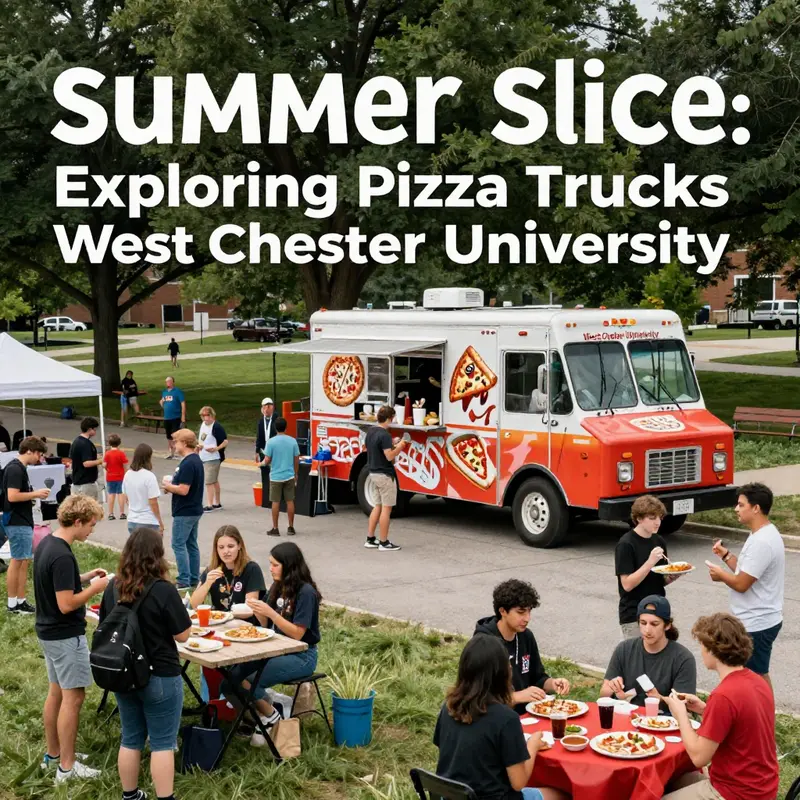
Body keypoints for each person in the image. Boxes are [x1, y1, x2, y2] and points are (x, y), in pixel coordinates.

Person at [99, 527, 192, 800]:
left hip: (123, 671)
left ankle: (130, 795)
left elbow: (105, 621)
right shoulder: (163, 589)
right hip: (160, 673)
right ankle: (166, 797)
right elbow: (183, 634)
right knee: (163, 742)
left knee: (130, 737)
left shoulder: (113, 586)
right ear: (158, 556)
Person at [434, 634, 568, 800]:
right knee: (562, 795)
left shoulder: (448, 707)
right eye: (508, 664)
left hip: (451, 796)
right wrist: (532, 745)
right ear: (501, 673)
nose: (511, 668)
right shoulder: (506, 719)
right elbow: (518, 783)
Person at [662, 613, 779, 800]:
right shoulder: (757, 682)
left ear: (713, 650)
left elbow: (699, 757)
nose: (701, 652)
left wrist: (680, 715)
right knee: (668, 779)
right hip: (762, 787)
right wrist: (704, 709)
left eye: (702, 645)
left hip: (735, 792)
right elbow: (741, 720)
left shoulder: (724, 695)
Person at [35, 495, 107, 783]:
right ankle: (67, 767)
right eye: (90, 524)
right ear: (77, 522)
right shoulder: (63, 554)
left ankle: (54, 756)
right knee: (73, 698)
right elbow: (66, 603)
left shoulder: (49, 543)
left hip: (47, 633)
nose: (92, 530)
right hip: (65, 635)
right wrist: (96, 588)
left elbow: (59, 580)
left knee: (56, 694)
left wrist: (87, 577)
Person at [229, 542, 321, 746]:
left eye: (274, 565)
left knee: (248, 680)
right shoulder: (277, 586)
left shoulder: (305, 592)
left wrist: (269, 612)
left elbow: (298, 634)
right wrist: (258, 611)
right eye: (270, 564)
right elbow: (265, 624)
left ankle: (272, 715)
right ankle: (261, 715)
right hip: (275, 649)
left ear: (289, 566)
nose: (270, 568)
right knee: (229, 680)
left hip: (302, 655)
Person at [707, 483, 784, 692]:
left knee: (755, 676)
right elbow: (747, 571)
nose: (736, 509)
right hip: (757, 619)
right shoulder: (761, 533)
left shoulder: (762, 541)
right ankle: (762, 716)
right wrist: (726, 556)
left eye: (741, 505)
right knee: (754, 673)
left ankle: (765, 718)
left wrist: (720, 575)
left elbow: (741, 584)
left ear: (756, 508)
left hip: (758, 622)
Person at [474, 580, 571, 715]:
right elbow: (478, 697)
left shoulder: (526, 636)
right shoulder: (485, 643)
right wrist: (516, 696)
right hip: (496, 720)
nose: (527, 618)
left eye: (529, 611)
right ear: (502, 611)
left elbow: (537, 678)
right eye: (521, 612)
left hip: (528, 716)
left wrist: (553, 683)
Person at [602, 595, 696, 711]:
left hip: (663, 721)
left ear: (667, 626)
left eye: (654, 624)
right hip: (626, 716)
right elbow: (603, 695)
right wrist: (612, 688)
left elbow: (686, 707)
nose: (647, 630)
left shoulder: (683, 658)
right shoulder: (624, 649)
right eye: (643, 623)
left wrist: (660, 699)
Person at [615, 495, 683, 639]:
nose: (657, 522)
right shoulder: (626, 544)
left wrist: (672, 576)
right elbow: (627, 584)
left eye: (660, 518)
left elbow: (659, 579)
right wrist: (650, 562)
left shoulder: (658, 540)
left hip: (658, 612)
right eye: (652, 518)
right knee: (636, 658)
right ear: (639, 519)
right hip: (634, 615)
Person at [2, 436, 50, 614]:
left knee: (22, 561)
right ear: (29, 450)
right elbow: (12, 496)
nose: (40, 458)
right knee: (17, 561)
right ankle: (14, 604)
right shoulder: (15, 469)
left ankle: (19, 600)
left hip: (21, 520)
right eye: (39, 454)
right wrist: (35, 494)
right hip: (17, 520)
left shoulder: (17, 467)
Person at [191, 525, 265, 624]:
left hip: (245, 625)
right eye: (221, 547)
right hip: (219, 624)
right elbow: (194, 604)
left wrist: (228, 615)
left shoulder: (251, 569)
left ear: (239, 546)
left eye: (230, 546)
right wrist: (207, 583)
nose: (226, 551)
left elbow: (251, 607)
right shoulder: (212, 569)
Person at [161, 429, 204, 589]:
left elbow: (184, 489)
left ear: (184, 443)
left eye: (176, 441)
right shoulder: (195, 460)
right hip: (194, 509)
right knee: (191, 544)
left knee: (178, 544)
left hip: (185, 510)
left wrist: (168, 486)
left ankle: (183, 579)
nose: (174, 444)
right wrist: (172, 486)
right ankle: (193, 578)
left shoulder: (188, 463)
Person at [364, 405, 406, 552]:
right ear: (389, 418)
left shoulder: (371, 432)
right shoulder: (385, 435)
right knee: (386, 510)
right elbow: (389, 456)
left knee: (377, 506)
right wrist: (400, 446)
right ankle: (384, 542)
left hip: (373, 473)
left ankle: (370, 538)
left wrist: (392, 443)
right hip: (385, 475)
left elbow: (376, 448)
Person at [264, 417, 300, 537]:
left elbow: (267, 459)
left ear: (275, 428)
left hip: (276, 476)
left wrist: (265, 463)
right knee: (290, 501)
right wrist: (296, 473)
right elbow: (296, 459)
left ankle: (275, 528)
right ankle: (291, 527)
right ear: (286, 427)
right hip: (289, 475)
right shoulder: (292, 441)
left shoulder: (271, 442)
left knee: (275, 502)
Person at [121, 444, 164, 535]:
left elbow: (126, 498)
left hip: (132, 519)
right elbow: (153, 502)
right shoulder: (149, 476)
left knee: (136, 548)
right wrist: (160, 521)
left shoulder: (128, 474)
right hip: (148, 520)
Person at [197, 406, 228, 513]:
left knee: (209, 481)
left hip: (213, 457)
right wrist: (199, 446)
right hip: (204, 456)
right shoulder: (203, 425)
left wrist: (216, 448)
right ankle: (217, 503)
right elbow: (202, 439)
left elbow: (225, 441)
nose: (205, 418)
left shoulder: (216, 427)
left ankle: (210, 504)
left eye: (207, 415)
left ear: (212, 415)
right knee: (214, 480)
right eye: (203, 415)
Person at [255, 397, 280, 515]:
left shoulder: (277, 419)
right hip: (263, 451)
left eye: (268, 407)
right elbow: (259, 437)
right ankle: (266, 500)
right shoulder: (261, 421)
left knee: (274, 476)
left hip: (275, 452)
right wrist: (256, 451)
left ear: (272, 408)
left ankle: (276, 500)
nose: (266, 410)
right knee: (265, 475)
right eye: (264, 407)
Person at [69, 417, 103, 499]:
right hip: (85, 483)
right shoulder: (85, 444)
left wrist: (97, 457)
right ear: (90, 429)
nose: (95, 431)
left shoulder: (76, 441)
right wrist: (100, 461)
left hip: (76, 482)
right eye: (94, 429)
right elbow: (86, 463)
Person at [103, 433, 128, 520]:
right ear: (119, 443)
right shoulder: (121, 453)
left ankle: (110, 513)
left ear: (109, 443)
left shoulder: (107, 454)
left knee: (111, 494)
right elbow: (125, 465)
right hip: (120, 476)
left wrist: (107, 469)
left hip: (110, 476)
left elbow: (104, 465)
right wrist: (126, 474)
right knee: (120, 494)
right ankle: (122, 513)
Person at [160, 377, 186, 459]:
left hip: (176, 417)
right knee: (169, 436)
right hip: (167, 417)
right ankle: (171, 452)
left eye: (170, 381)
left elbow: (183, 403)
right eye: (167, 381)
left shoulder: (177, 392)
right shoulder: (164, 392)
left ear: (173, 382)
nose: (168, 383)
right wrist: (162, 404)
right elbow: (162, 401)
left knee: (176, 435)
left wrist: (183, 415)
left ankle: (179, 452)